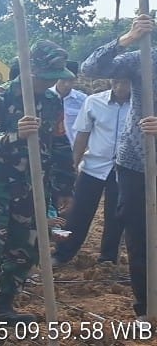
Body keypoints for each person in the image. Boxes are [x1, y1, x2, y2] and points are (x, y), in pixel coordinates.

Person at [0, 40, 75, 327]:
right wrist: (15, 135)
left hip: (34, 186)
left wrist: (65, 186)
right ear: (30, 70)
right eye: (47, 76)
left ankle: (2, 306)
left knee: (26, 246)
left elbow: (59, 143)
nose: (51, 82)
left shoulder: (52, 101)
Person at [82, 14, 157, 322]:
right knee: (138, 235)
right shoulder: (145, 59)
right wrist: (128, 38)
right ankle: (147, 307)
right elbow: (91, 69)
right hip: (135, 161)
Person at [52, 76, 131, 266]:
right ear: (110, 80)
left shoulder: (141, 105)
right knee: (77, 212)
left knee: (115, 217)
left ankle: (108, 259)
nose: (119, 86)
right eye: (116, 81)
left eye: (125, 82)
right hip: (93, 167)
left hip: (123, 169)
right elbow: (82, 136)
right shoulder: (94, 102)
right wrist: (72, 167)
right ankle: (62, 253)